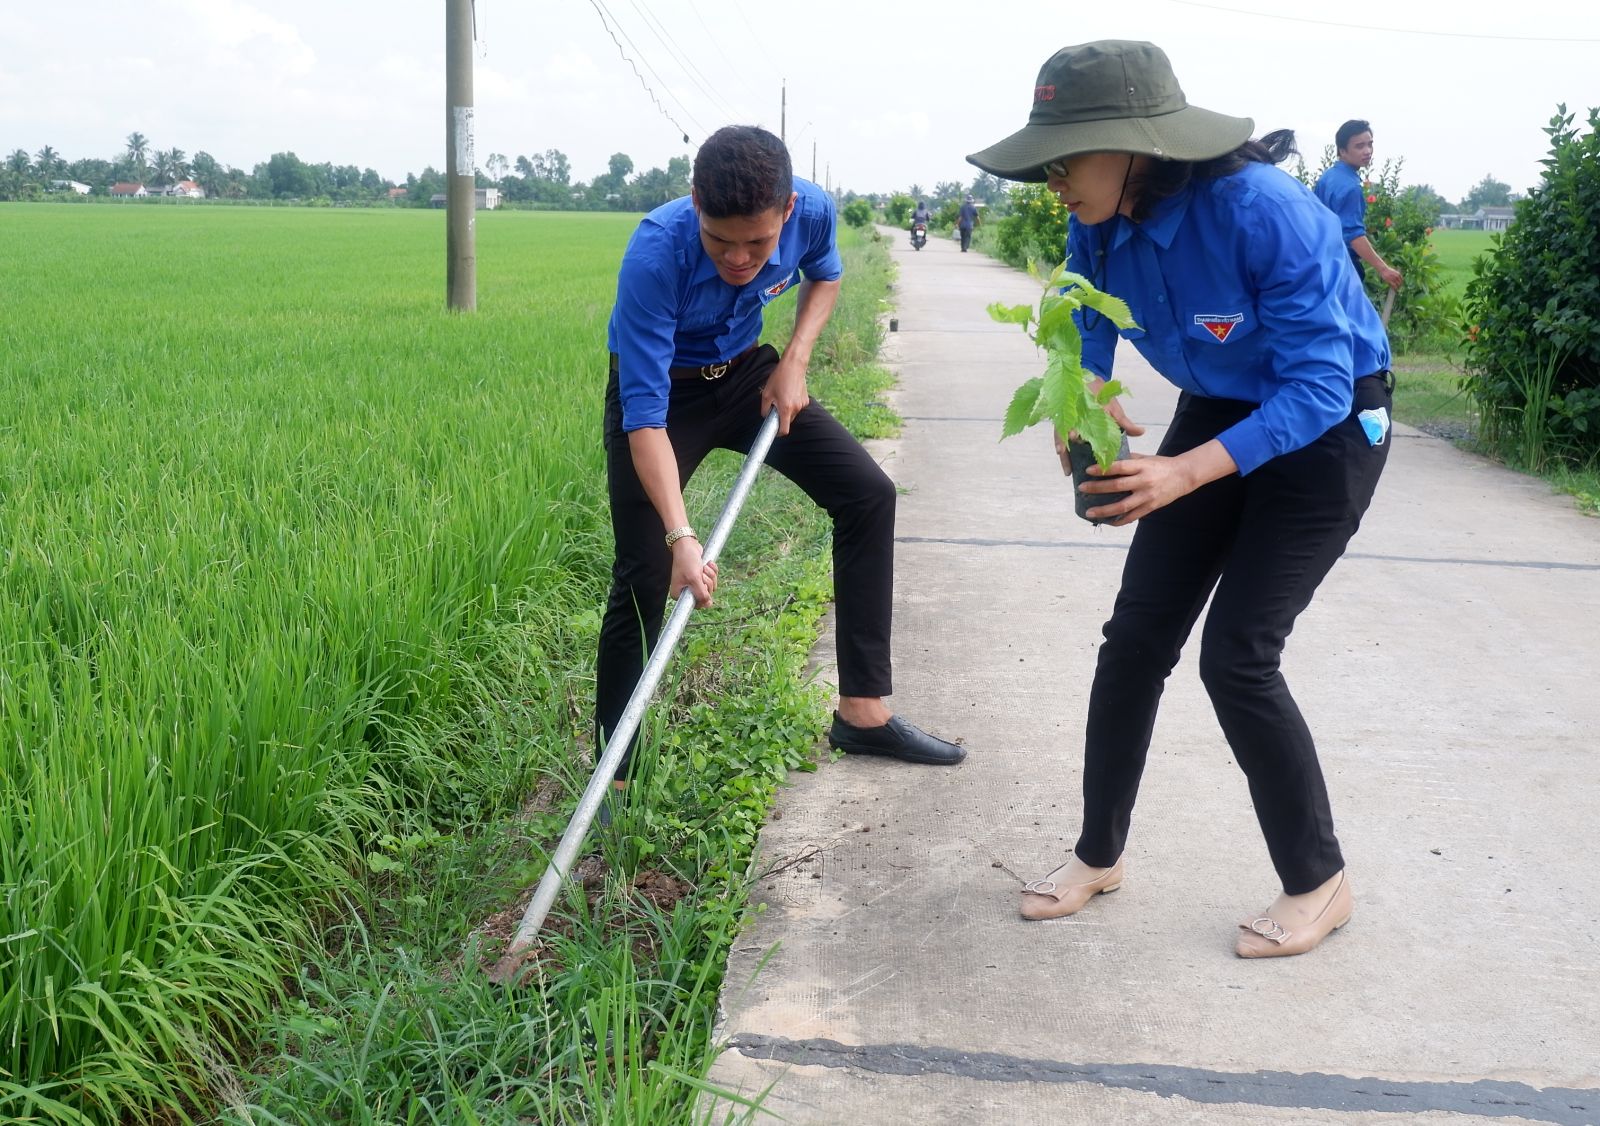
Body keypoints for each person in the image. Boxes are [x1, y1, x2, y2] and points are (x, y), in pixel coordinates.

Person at [968, 41, 1393, 958]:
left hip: (1330, 421)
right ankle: (1098, 854)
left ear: (1134, 147)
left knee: (1238, 653)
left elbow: (1318, 388)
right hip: (1224, 402)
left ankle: (1320, 882)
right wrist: (1087, 382)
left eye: (1066, 158)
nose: (1053, 182)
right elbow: (1084, 303)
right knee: (1136, 638)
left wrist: (1181, 471)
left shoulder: (1264, 213)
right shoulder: (1099, 217)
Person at [598, 126, 964, 821]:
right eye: (720, 241)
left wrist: (794, 357)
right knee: (643, 576)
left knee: (867, 495)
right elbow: (644, 422)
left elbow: (826, 274)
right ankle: (616, 780)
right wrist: (683, 536)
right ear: (695, 205)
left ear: (788, 211)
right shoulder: (655, 254)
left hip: (747, 376)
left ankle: (863, 712)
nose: (739, 260)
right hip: (663, 399)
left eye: (758, 246)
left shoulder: (816, 211)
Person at [1314, 119, 1403, 290]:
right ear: (1342, 151)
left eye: (1370, 144)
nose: (1367, 151)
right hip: (1342, 266)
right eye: (1359, 146)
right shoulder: (1350, 187)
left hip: (1322, 263)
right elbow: (1353, 235)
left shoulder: (1328, 177)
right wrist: (1383, 269)